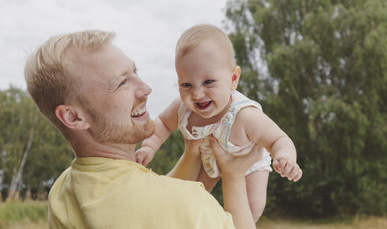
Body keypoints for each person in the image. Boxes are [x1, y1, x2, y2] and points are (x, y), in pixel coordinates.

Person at [24, 29, 263, 229]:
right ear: (74, 116)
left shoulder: (63, 190)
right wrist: (233, 176)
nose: (146, 88)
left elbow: (148, 202)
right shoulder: (191, 207)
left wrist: (192, 153)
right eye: (122, 83)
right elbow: (166, 204)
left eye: (134, 72)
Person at [135, 24, 303, 222]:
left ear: (233, 79)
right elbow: (162, 124)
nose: (197, 94)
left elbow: (278, 139)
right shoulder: (181, 109)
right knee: (192, 200)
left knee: (252, 207)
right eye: (186, 84)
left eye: (208, 82)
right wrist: (149, 147)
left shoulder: (244, 116)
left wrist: (285, 157)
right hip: (208, 160)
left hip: (248, 161)